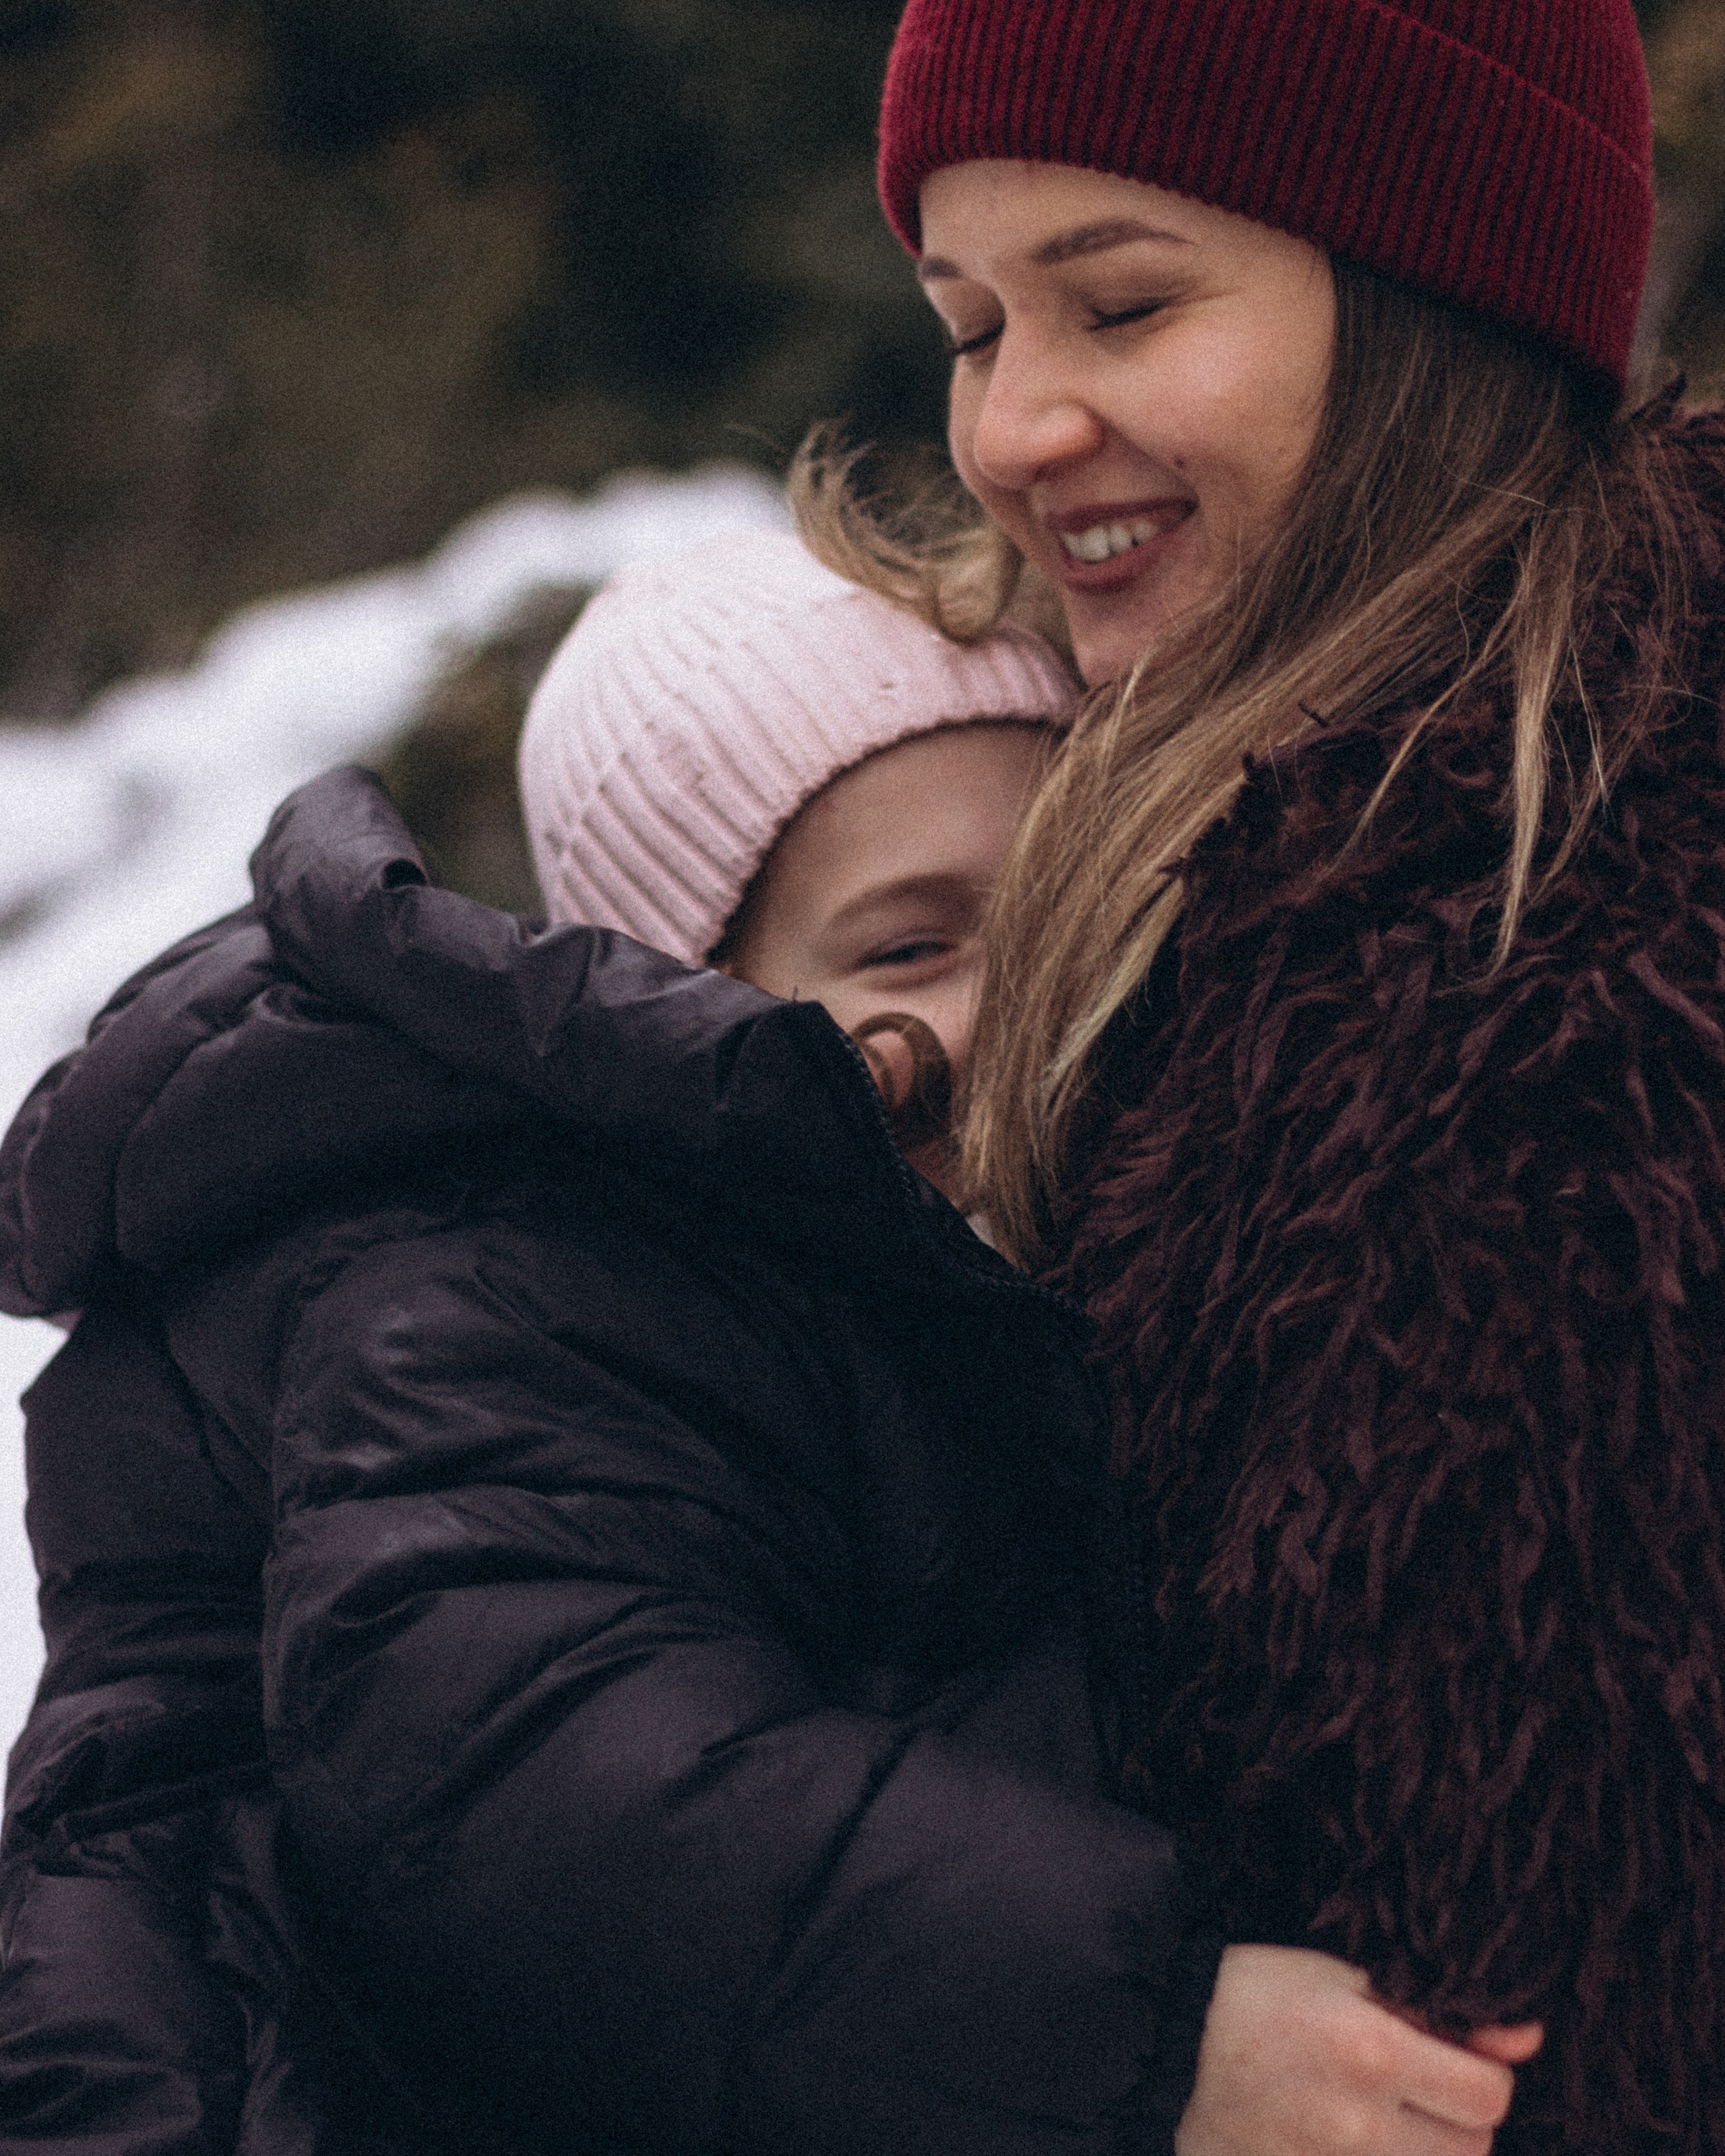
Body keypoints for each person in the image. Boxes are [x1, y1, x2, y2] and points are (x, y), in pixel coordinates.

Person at [0, 532, 1532, 2155]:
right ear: (677, 1004)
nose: (1020, 1013)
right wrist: (1156, 2030)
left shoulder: (918, 1262)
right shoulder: (505, 1275)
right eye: (907, 946)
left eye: (1071, 919)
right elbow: (535, 1770)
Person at [790, 0, 1725, 2148]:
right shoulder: (1153, 830)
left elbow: (1511, 2015)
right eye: (968, 326)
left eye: (1122, 302)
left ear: (1430, 292)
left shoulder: (1541, 1001)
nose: (1019, 427)